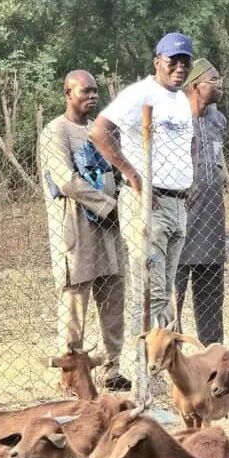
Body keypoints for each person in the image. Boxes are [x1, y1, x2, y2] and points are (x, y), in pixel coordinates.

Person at [90, 33, 194, 333]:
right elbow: (99, 131)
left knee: (167, 290)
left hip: (177, 204)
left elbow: (188, 145)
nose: (179, 68)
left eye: (185, 62)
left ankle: (162, 365)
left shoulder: (181, 100)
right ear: (157, 62)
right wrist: (133, 175)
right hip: (148, 203)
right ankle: (143, 369)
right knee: (150, 293)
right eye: (172, 61)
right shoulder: (141, 93)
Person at [39, 70, 130, 391]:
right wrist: (107, 206)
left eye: (95, 91)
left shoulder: (98, 130)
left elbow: (117, 172)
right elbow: (65, 179)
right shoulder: (56, 132)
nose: (91, 96)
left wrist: (121, 204)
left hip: (110, 231)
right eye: (84, 91)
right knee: (75, 302)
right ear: (67, 93)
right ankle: (71, 371)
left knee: (113, 297)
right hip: (76, 229)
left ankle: (113, 368)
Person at [174, 59, 228, 345]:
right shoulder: (173, 117)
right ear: (195, 85)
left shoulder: (218, 120)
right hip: (180, 216)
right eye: (214, 80)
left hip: (211, 217)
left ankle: (212, 354)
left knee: (211, 294)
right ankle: (172, 357)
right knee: (173, 293)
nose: (220, 86)